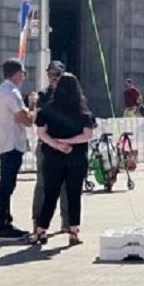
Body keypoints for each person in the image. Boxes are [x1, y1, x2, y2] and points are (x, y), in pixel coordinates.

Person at [30, 72, 96, 246]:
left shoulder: (48, 108)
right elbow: (87, 135)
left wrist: (57, 144)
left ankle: (41, 230)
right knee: (74, 194)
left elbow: (41, 133)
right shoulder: (83, 110)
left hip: (52, 156)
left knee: (50, 193)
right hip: (76, 156)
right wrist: (69, 142)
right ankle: (73, 232)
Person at [0, 58, 34, 241]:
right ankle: (2, 225)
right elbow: (27, 120)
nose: (24, 77)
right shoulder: (11, 93)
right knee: (7, 185)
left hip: (5, 143)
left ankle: (5, 221)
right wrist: (33, 105)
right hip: (10, 144)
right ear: (17, 74)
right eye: (23, 74)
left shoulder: (2, 90)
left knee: (6, 185)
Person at [30, 60, 71, 235]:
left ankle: (67, 222)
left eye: (57, 75)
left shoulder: (71, 96)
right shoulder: (43, 96)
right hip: (46, 145)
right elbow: (35, 121)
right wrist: (33, 106)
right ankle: (38, 223)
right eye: (50, 74)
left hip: (66, 145)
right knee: (43, 184)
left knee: (66, 185)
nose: (53, 78)